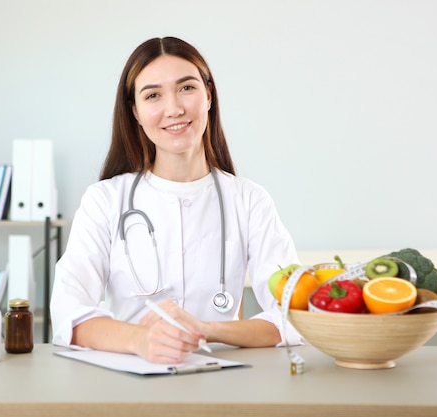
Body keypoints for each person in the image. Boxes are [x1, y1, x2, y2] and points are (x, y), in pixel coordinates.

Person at [51, 36, 303, 364]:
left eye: (186, 88)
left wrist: (205, 330)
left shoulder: (249, 200)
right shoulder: (105, 200)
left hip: (222, 381)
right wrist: (141, 340)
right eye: (153, 95)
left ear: (208, 95)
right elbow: (69, 312)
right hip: (131, 381)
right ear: (136, 112)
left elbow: (293, 316)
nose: (174, 109)